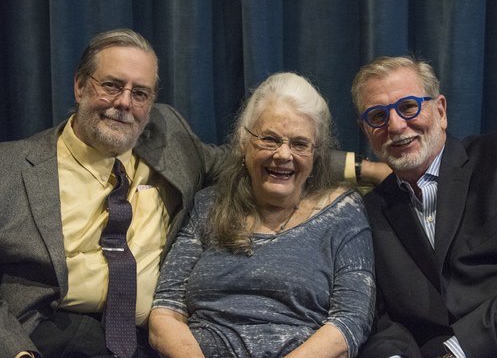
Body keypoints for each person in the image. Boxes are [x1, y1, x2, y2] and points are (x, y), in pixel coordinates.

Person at [0, 29, 386, 358]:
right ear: (79, 85)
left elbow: (271, 155)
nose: (124, 103)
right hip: (47, 335)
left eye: (140, 92)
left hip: (139, 342)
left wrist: (367, 168)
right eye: (111, 86)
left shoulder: (168, 137)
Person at [353, 56, 497, 358]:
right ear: (366, 130)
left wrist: (462, 350)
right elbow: (378, 316)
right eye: (378, 116)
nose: (395, 125)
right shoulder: (368, 212)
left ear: (440, 110)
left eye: (408, 106)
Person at [149, 72, 376, 358]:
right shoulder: (208, 204)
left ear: (317, 154)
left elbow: (351, 320)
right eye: (269, 139)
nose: (283, 154)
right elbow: (165, 312)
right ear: (244, 144)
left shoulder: (344, 212)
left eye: (299, 144)